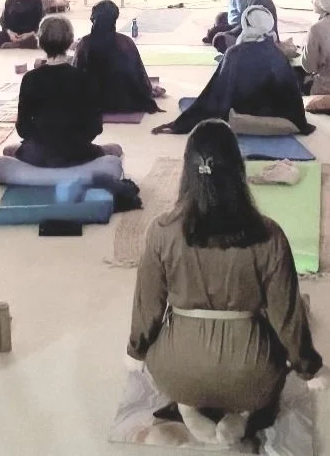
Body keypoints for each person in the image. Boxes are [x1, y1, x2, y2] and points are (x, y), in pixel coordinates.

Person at [127, 119, 326, 445]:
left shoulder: (161, 230)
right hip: (251, 374)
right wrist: (308, 367)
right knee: (290, 327)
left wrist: (135, 351)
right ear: (238, 170)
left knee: (176, 366)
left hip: (176, 372)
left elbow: (147, 305)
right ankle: (243, 414)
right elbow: (286, 315)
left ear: (187, 172)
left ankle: (188, 407)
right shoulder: (268, 234)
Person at [153, 6, 313, 135]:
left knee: (222, 109)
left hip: (241, 113)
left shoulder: (234, 53)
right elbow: (292, 96)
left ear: (246, 24)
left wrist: (181, 123)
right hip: (277, 115)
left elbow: (217, 91)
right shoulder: (277, 54)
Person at [3, 15, 122, 167]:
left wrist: (40, 142)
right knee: (115, 149)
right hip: (78, 153)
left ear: (40, 41)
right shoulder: (84, 78)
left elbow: (23, 129)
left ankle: (41, 169)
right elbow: (95, 127)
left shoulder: (30, 78)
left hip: (39, 155)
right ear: (70, 41)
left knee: (9, 151)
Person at [74, 0, 163, 113]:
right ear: (115, 19)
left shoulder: (84, 43)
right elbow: (138, 75)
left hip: (93, 103)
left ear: (93, 18)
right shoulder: (126, 42)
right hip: (125, 102)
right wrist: (149, 90)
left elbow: (76, 77)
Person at [212, 0, 279, 53]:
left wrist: (228, 33)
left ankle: (235, 56)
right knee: (221, 19)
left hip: (261, 42)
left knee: (219, 39)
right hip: (260, 38)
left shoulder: (259, 1)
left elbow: (246, 28)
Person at [301, 0, 330, 95]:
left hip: (324, 91)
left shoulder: (316, 29)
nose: (312, 1)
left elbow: (309, 67)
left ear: (322, 1)